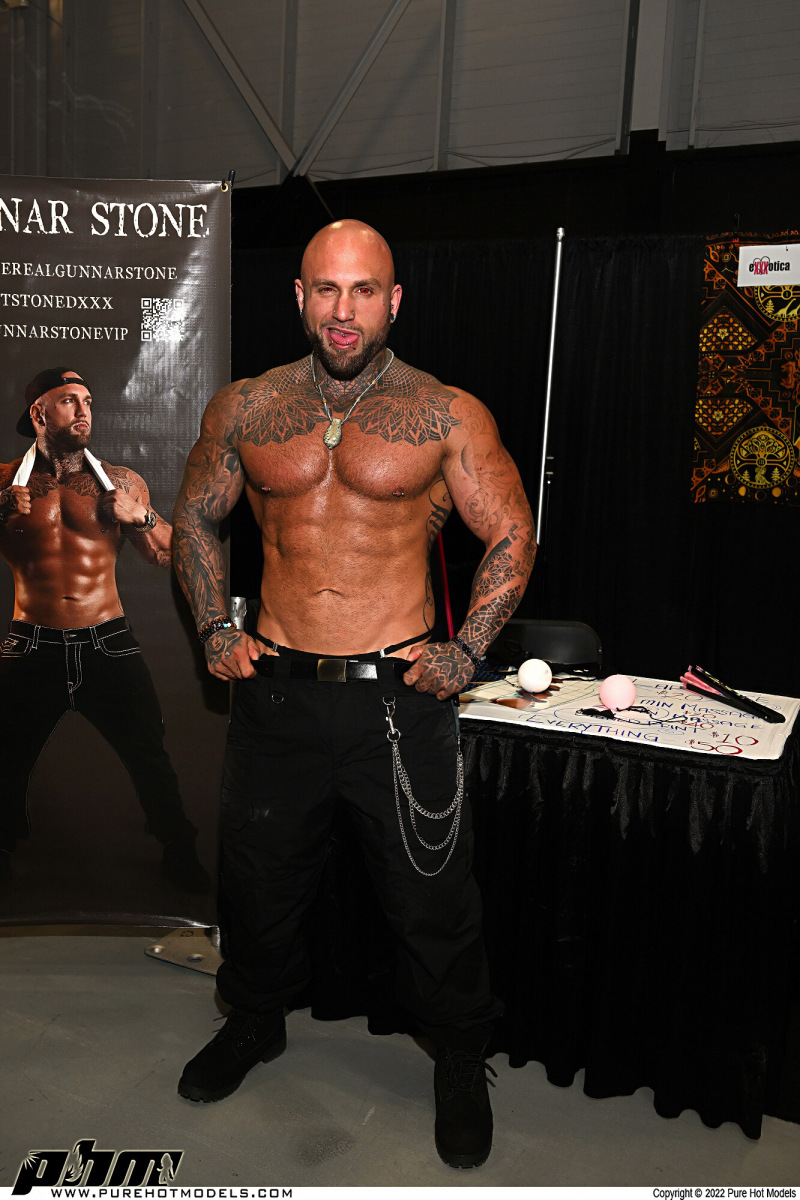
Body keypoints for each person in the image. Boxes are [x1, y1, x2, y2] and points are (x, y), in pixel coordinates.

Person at [172, 220, 535, 1168]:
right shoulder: (246, 406)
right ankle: (255, 1020)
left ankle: (459, 1056)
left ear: (393, 301)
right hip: (277, 696)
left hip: (398, 700)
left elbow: (511, 532)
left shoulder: (446, 413)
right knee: (259, 882)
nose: (344, 311)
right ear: (299, 297)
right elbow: (195, 518)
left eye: (363, 290)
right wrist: (213, 626)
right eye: (326, 290)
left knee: (431, 897)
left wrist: (469, 648)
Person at [0, 368, 208, 893]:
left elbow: (169, 554)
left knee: (149, 753)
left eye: (88, 400)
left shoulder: (120, 482)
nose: (84, 410)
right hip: (30, 643)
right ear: (39, 413)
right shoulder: (3, 481)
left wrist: (141, 518)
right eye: (69, 400)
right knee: (5, 757)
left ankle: (178, 849)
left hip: (107, 641)